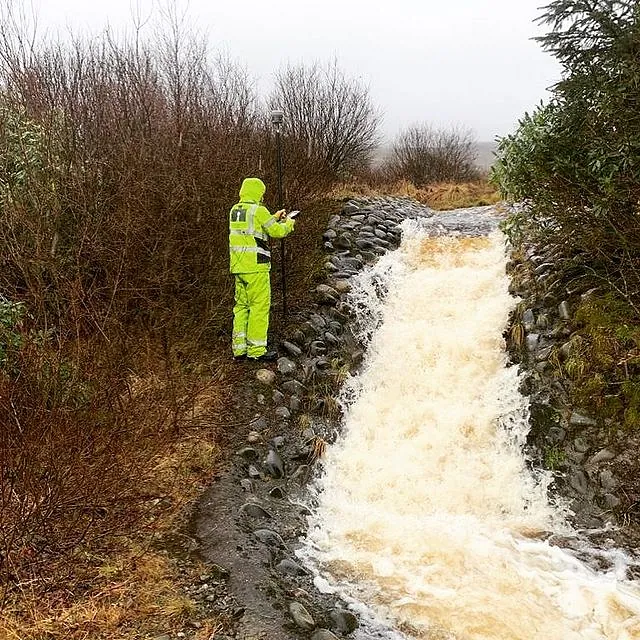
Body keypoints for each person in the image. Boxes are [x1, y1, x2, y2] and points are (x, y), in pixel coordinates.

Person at [229, 177, 295, 361]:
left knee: (241, 307)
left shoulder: (235, 210)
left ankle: (239, 350)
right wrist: (288, 223)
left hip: (238, 267)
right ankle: (257, 352)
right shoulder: (259, 210)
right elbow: (277, 232)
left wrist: (273, 217)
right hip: (256, 267)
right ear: (258, 193)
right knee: (259, 307)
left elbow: (255, 227)